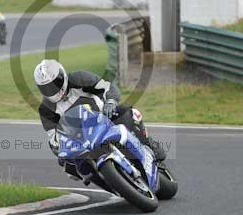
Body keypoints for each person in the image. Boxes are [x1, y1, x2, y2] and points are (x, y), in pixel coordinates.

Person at [33, 59, 166, 161]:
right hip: (80, 140)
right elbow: (53, 138)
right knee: (67, 166)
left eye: (55, 83)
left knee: (128, 113)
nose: (52, 90)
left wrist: (110, 102)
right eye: (46, 88)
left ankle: (147, 143)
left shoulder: (80, 78)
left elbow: (108, 87)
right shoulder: (46, 109)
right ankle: (105, 178)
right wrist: (59, 149)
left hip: (105, 117)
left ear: (63, 76)